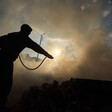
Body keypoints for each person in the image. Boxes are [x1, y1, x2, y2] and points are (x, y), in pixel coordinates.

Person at [0, 24, 54, 110]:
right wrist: (46, 54)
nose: (29, 34)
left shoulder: (11, 34)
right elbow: (36, 47)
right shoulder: (24, 38)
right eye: (29, 33)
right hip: (7, 61)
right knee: (6, 84)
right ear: (26, 31)